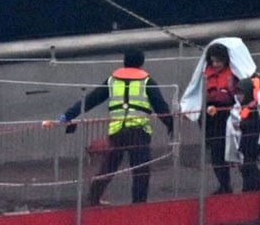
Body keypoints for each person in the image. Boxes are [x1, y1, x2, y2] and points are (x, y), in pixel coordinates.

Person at [45, 48, 173, 205]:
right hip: (139, 132)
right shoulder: (148, 82)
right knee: (141, 171)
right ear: (141, 63)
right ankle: (139, 207)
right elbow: (161, 107)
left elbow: (91, 100)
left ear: (124, 62)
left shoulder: (112, 80)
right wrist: (171, 125)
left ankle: (93, 200)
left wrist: (67, 116)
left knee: (108, 168)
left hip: (117, 132)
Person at [180, 37, 260, 194]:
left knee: (245, 155)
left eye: (218, 61)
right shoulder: (205, 73)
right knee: (217, 153)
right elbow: (196, 91)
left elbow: (257, 93)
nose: (215, 65)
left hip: (235, 116)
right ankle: (224, 185)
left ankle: (252, 185)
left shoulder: (240, 74)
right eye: (212, 61)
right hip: (213, 118)